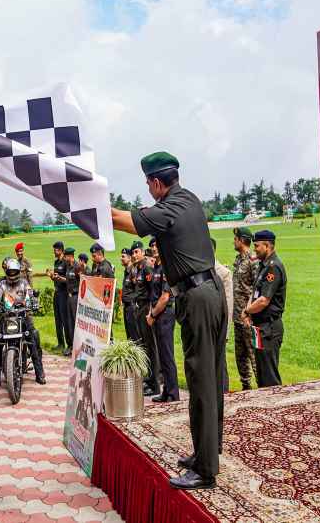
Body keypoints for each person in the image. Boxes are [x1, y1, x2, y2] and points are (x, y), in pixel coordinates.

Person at [110, 151, 226, 491]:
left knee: (201, 377)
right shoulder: (187, 199)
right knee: (212, 373)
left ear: (157, 182)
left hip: (198, 296)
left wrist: (83, 206)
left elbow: (123, 220)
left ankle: (205, 470)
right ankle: (208, 450)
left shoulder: (169, 207)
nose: (147, 188)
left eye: (148, 182)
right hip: (210, 291)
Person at [0, 258, 46, 388]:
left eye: (15, 271)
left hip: (23, 315)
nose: (12, 274)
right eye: (10, 271)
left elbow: (31, 293)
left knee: (33, 338)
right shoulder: (3, 284)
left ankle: (40, 372)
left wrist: (34, 302)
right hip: (6, 317)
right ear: (7, 271)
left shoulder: (24, 283)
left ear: (18, 271)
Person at [241, 230, 287, 388]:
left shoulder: (273, 268)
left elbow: (263, 300)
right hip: (261, 328)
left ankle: (276, 410)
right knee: (261, 373)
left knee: (269, 376)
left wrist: (247, 311)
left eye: (257, 246)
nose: (255, 249)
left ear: (267, 246)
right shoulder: (263, 265)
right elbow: (255, 293)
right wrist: (247, 311)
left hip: (269, 328)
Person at [146, 249, 179, 403]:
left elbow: (165, 297)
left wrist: (152, 315)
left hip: (164, 314)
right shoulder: (156, 268)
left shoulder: (166, 267)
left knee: (167, 354)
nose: (154, 249)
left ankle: (173, 393)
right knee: (162, 355)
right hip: (157, 314)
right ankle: (166, 390)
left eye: (157, 246)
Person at [232, 227, 259, 390]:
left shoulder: (252, 260)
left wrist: (249, 312)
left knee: (254, 355)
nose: (233, 241)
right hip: (237, 317)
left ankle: (262, 388)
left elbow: (257, 288)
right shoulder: (238, 259)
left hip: (249, 318)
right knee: (240, 356)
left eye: (235, 238)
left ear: (242, 240)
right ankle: (246, 387)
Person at [132, 240, 160, 397]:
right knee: (145, 346)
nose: (134, 255)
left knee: (151, 347)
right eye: (133, 253)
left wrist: (150, 312)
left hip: (146, 309)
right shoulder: (138, 268)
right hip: (139, 308)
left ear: (142, 252)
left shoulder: (147, 267)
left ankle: (155, 384)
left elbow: (152, 292)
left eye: (137, 252)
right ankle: (149, 379)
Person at [212, 238, 232, 394]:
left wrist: (226, 331)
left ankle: (224, 393)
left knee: (220, 362)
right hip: (205, 324)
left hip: (219, 325)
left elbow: (228, 304)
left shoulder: (223, 273)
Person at [56, 247, 80, 356]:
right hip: (68, 297)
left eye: (65, 256)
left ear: (70, 256)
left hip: (75, 297)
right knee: (69, 322)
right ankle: (70, 346)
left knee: (75, 322)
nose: (64, 258)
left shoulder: (77, 267)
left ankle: (77, 346)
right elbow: (68, 280)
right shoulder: (69, 267)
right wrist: (60, 278)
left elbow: (81, 281)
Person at [46, 241, 69, 352]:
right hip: (57, 292)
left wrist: (59, 277)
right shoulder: (56, 263)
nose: (54, 252)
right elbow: (56, 278)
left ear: (60, 250)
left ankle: (69, 344)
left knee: (65, 320)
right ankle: (60, 343)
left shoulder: (65, 262)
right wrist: (51, 276)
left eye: (55, 250)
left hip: (64, 294)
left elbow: (68, 279)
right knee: (57, 319)